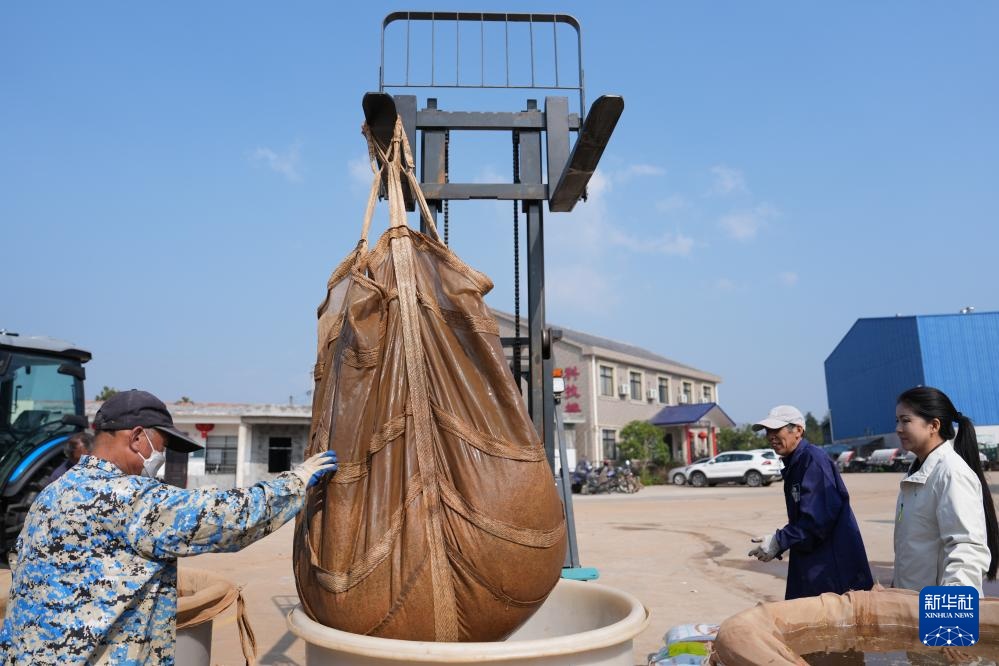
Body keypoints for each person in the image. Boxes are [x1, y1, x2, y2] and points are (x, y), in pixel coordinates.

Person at [0, 389, 338, 665]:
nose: (161, 460)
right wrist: (297, 481)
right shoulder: (122, 497)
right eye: (161, 448)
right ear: (137, 438)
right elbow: (222, 518)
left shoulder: (54, 491)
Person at [747, 404, 874, 599]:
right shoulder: (795, 463)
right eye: (768, 431)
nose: (770, 436)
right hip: (812, 565)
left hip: (831, 570)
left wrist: (779, 540)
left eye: (776, 429)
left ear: (798, 430)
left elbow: (817, 520)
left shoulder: (813, 461)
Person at [893, 386, 997, 597]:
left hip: (939, 616)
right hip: (915, 607)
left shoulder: (951, 474)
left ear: (934, 425)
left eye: (906, 420)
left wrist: (947, 620)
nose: (898, 428)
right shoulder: (916, 474)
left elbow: (966, 550)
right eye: (897, 421)